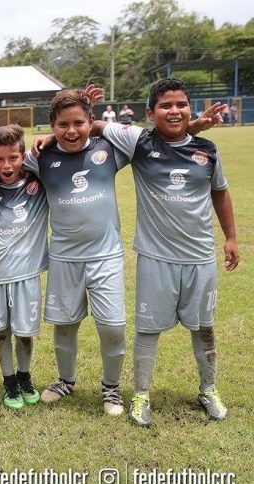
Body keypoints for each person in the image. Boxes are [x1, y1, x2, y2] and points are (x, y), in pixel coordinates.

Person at [96, 77, 239, 427]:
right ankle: (141, 394)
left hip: (200, 257)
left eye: (181, 105)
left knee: (204, 327)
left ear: (190, 108)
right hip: (155, 258)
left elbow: (219, 192)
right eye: (165, 106)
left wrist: (231, 237)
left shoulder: (207, 150)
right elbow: (95, 124)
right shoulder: (140, 142)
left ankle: (208, 389)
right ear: (150, 112)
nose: (174, 111)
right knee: (148, 329)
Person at [27, 89, 130, 416]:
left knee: (112, 326)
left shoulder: (109, 150)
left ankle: (112, 389)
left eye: (79, 123)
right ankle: (65, 381)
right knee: (65, 324)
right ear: (52, 125)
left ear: (91, 122)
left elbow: (153, 139)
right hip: (64, 258)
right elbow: (7, 165)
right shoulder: (41, 157)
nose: (71, 131)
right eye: (62, 125)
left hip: (106, 256)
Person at [0, 124, 49, 409]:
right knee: (2, 330)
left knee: (25, 332)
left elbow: (51, 156)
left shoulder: (39, 185)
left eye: (14, 158)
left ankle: (25, 376)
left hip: (27, 274)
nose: (7, 165)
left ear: (23, 157)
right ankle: (9, 382)